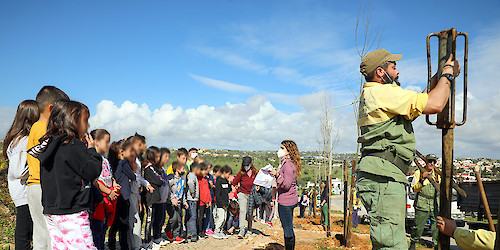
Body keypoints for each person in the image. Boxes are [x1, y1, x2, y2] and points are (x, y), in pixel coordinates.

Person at [356, 49, 460, 249]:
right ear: (380, 72)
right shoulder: (383, 92)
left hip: (380, 175)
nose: (397, 72)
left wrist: (434, 81)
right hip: (383, 179)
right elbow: (436, 104)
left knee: (387, 242)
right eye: (393, 67)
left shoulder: (371, 93)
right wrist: (447, 75)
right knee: (392, 245)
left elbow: (410, 111)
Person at [30, 100, 101, 249]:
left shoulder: (49, 145)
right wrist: (92, 151)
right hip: (72, 211)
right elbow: (92, 171)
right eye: (85, 121)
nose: (88, 126)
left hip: (52, 211)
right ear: (73, 120)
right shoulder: (73, 145)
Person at [26, 86, 69, 250]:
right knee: (53, 234)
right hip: (45, 187)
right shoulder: (47, 130)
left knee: (40, 233)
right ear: (53, 108)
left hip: (33, 186)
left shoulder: (35, 127)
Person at [3, 100, 39, 249]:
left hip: (22, 192)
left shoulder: (16, 138)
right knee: (24, 233)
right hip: (24, 193)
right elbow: (17, 171)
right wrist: (37, 168)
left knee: (25, 232)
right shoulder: (23, 141)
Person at [89, 129, 121, 250]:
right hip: (99, 199)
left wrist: (115, 184)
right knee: (97, 230)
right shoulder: (93, 159)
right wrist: (109, 192)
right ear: (96, 142)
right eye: (106, 142)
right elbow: (95, 181)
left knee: (103, 229)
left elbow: (110, 176)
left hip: (109, 199)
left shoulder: (105, 160)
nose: (108, 145)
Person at [268, 140, 301, 250]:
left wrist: (277, 175)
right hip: (290, 200)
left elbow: (286, 185)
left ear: (288, 151)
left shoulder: (287, 165)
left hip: (285, 202)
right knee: (289, 228)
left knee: (287, 229)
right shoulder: (289, 164)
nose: (280, 150)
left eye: (282, 148)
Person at [108, 139, 136, 250]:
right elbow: (132, 176)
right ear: (122, 152)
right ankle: (124, 246)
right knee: (124, 224)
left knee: (115, 223)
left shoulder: (113, 162)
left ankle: (112, 244)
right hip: (124, 196)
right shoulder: (123, 163)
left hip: (116, 196)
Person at [409, 154, 441, 250]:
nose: (431, 163)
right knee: (418, 226)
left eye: (433, 162)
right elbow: (414, 188)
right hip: (422, 203)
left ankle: (436, 245)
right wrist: (422, 179)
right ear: (425, 162)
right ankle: (413, 243)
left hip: (434, 204)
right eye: (429, 161)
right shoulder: (418, 173)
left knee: (436, 226)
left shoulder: (437, 174)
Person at [128, 135, 154, 250]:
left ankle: (135, 244)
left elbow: (138, 177)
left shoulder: (138, 158)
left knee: (136, 219)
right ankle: (135, 245)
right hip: (130, 191)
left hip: (136, 190)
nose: (143, 147)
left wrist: (146, 184)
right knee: (134, 220)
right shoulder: (129, 157)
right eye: (140, 144)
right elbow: (133, 176)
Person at [143, 146, 170, 249]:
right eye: (158, 156)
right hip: (150, 198)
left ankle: (154, 239)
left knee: (157, 219)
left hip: (157, 198)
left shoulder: (154, 168)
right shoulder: (149, 169)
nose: (159, 158)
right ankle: (147, 241)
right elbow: (159, 180)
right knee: (150, 220)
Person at [232, 156, 257, 238]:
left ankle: (249, 228)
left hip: (252, 195)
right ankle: (242, 230)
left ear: (251, 164)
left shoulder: (255, 173)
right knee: (242, 211)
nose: (246, 167)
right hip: (242, 194)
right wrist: (234, 190)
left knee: (249, 213)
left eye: (247, 165)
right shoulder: (241, 174)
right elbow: (234, 182)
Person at [166, 161, 188, 243]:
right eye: (183, 168)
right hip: (170, 202)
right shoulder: (171, 178)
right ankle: (168, 230)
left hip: (179, 202)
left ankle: (176, 236)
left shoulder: (182, 180)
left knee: (179, 220)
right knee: (174, 218)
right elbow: (168, 190)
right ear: (178, 169)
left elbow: (182, 191)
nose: (184, 170)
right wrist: (172, 199)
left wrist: (184, 202)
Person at [213, 165, 232, 239]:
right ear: (224, 172)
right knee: (221, 218)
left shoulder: (226, 181)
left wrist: (230, 184)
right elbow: (218, 194)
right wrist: (222, 203)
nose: (229, 176)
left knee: (224, 218)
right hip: (220, 204)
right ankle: (216, 231)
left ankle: (221, 231)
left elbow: (228, 190)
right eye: (229, 174)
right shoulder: (219, 180)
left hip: (225, 203)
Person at [186, 162, 201, 241]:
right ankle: (193, 233)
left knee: (189, 216)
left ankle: (189, 232)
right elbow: (190, 183)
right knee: (193, 217)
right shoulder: (192, 176)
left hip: (190, 200)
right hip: (192, 199)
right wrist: (193, 192)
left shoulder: (190, 175)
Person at [197, 163, 211, 239]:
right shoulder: (200, 180)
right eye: (204, 170)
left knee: (204, 217)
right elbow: (201, 193)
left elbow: (207, 191)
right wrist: (206, 201)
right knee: (200, 217)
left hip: (206, 202)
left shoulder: (205, 179)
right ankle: (200, 232)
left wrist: (209, 200)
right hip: (202, 202)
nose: (206, 172)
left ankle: (203, 230)